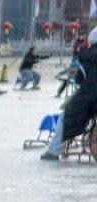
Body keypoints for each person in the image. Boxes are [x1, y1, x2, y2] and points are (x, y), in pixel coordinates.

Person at [42, 27, 97, 160]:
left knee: (66, 117)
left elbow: (77, 78)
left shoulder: (84, 57)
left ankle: (53, 151)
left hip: (88, 99)